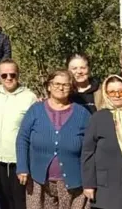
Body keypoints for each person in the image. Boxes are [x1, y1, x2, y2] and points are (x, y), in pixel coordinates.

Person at [16, 70, 91, 209]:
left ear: (72, 87)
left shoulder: (82, 114)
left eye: (66, 85)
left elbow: (91, 148)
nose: (61, 88)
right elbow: (22, 138)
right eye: (56, 84)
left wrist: (90, 181)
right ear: (49, 86)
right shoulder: (35, 110)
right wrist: (22, 167)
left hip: (73, 182)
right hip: (39, 180)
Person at [0, 60, 37, 209]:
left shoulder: (29, 97)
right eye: (4, 75)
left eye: (13, 74)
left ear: (18, 75)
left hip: (18, 161)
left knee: (20, 202)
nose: (9, 78)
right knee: (2, 201)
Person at [82, 75, 122, 209]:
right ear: (106, 94)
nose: (117, 95)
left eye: (121, 91)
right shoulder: (98, 118)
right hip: (106, 186)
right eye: (112, 92)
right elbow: (88, 152)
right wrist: (88, 184)